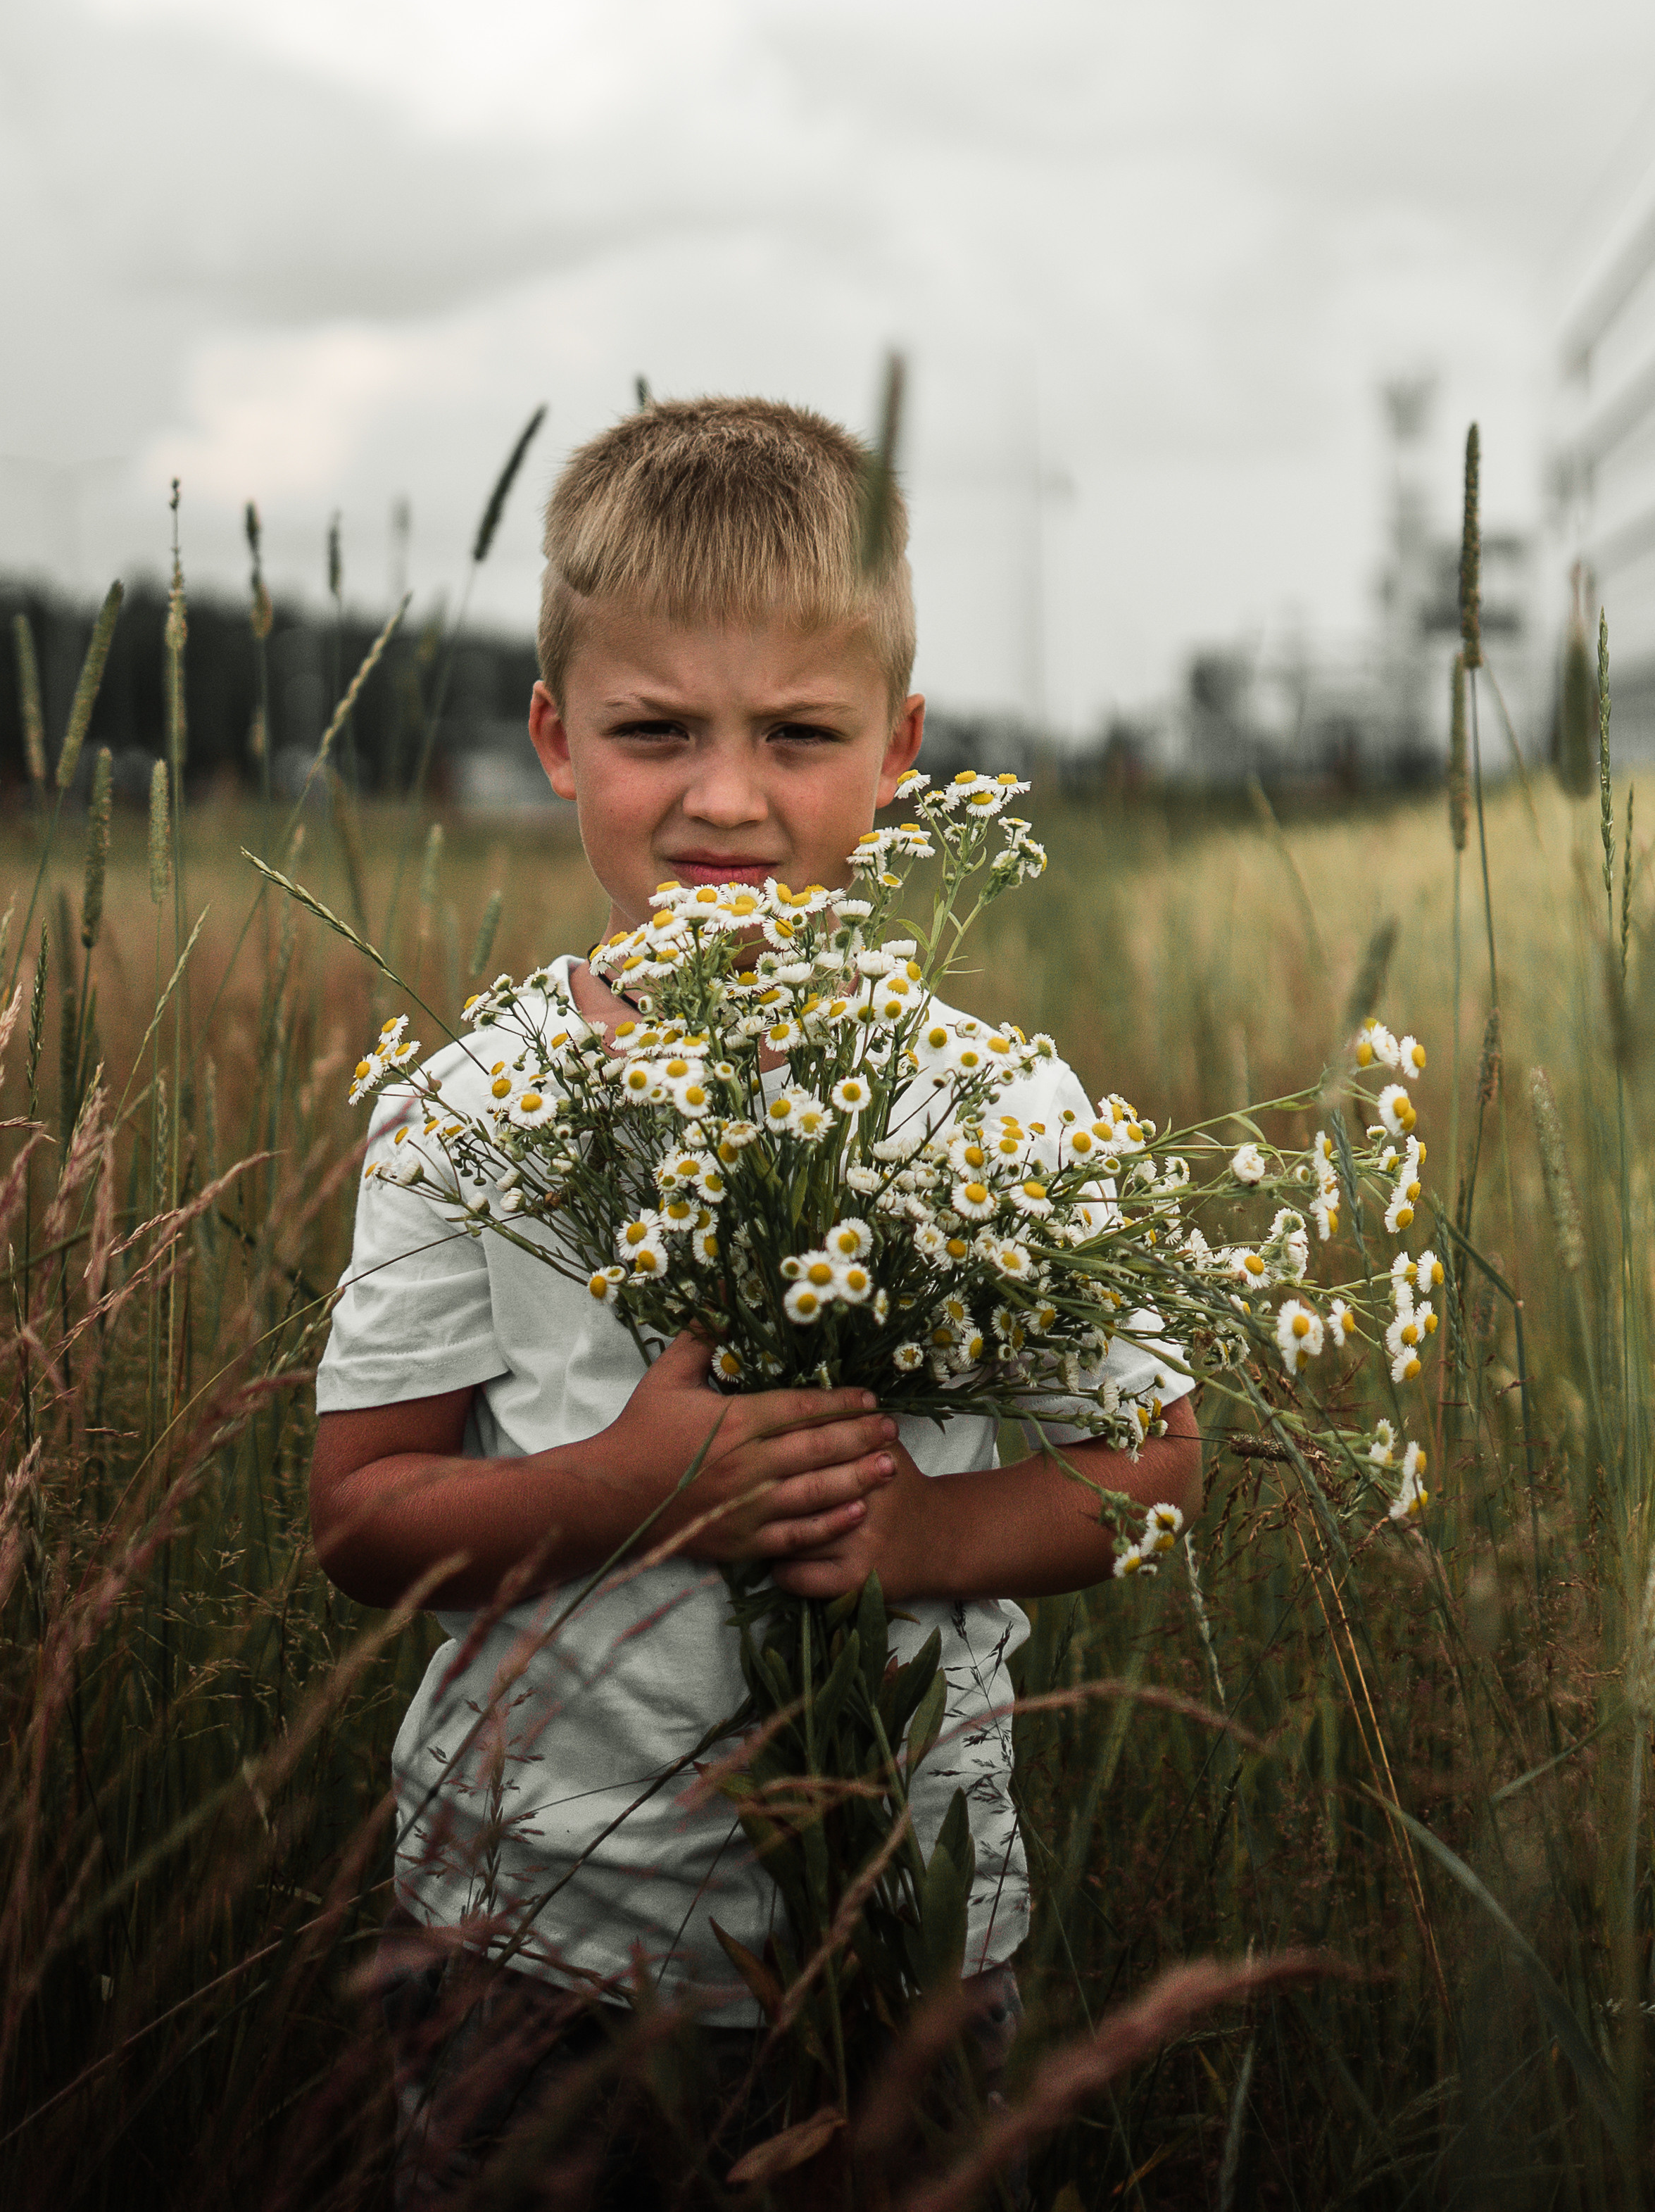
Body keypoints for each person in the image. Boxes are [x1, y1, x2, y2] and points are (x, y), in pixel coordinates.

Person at [310, 395, 1201, 2206]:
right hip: (527, 1942)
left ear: (900, 749)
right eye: (656, 730)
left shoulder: (990, 1104)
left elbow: (1156, 1463)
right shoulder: (466, 1110)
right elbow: (361, 1516)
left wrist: (920, 1539)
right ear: (557, 739)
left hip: (907, 1934)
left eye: (798, 732)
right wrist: (630, 1489)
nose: (725, 797)